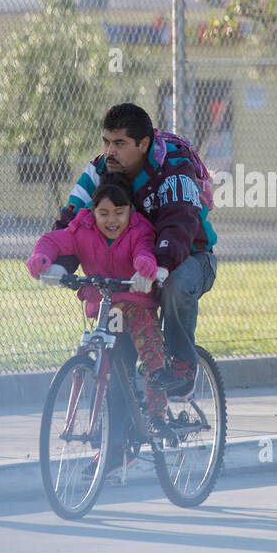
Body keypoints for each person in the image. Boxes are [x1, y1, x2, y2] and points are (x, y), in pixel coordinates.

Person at [42, 103, 217, 395]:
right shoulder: (99, 168)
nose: (110, 151)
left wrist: (159, 266)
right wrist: (57, 261)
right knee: (118, 358)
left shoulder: (174, 165)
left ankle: (182, 367)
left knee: (176, 284)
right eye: (106, 142)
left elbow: (179, 223)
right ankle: (119, 432)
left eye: (119, 144)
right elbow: (74, 220)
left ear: (143, 144)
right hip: (133, 270)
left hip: (189, 258)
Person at [26, 173, 184, 424]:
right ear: (93, 211)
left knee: (152, 354)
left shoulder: (139, 229)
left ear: (130, 211)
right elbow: (51, 240)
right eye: (104, 213)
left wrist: (144, 266)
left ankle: (157, 416)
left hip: (135, 303)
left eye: (119, 212)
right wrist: (42, 258)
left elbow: (143, 251)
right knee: (110, 357)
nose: (112, 220)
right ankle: (111, 417)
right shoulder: (82, 228)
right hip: (104, 304)